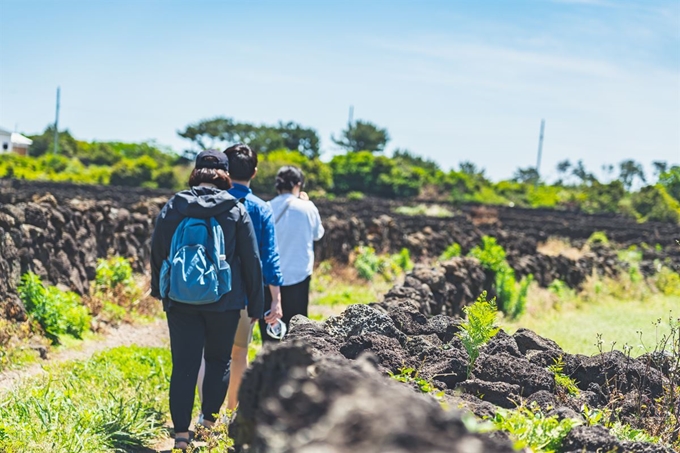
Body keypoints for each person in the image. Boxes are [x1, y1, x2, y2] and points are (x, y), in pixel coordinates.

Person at [150, 150, 264, 452]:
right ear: (225, 175)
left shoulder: (175, 206)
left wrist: (159, 289)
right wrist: (255, 305)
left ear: (195, 172)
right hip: (225, 301)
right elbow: (251, 260)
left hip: (180, 301)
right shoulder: (235, 209)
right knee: (218, 362)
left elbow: (157, 250)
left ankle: (180, 436)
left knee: (184, 366)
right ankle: (208, 424)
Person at [196, 143, 284, 411]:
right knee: (238, 354)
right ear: (254, 172)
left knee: (205, 355)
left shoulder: (207, 200)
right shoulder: (260, 208)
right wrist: (275, 299)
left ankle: (206, 417)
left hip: (207, 289)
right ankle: (231, 416)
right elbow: (269, 258)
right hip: (244, 294)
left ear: (224, 169)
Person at [259, 166, 324, 343]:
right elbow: (318, 234)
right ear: (298, 185)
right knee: (298, 329)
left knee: (271, 331)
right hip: (299, 276)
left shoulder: (266, 207)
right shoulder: (308, 208)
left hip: (269, 280)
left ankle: (269, 366)